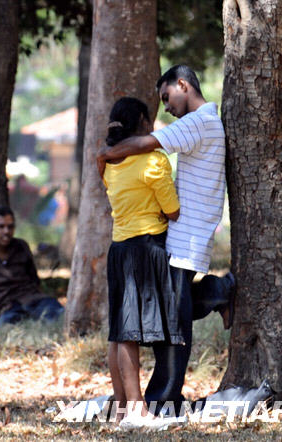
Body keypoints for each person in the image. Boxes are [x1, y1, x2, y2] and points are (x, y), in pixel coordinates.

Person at [98, 65, 235, 416]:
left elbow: (147, 143)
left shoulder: (199, 121)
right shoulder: (201, 123)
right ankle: (219, 291)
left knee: (172, 325)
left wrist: (107, 155)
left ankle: (163, 399)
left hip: (185, 234)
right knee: (171, 314)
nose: (166, 108)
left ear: (183, 85)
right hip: (183, 232)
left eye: (167, 97)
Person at [101, 97, 182, 429]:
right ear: (142, 124)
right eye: (150, 120)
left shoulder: (109, 163)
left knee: (120, 332)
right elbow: (173, 209)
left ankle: (121, 410)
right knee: (131, 333)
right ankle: (137, 412)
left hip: (118, 249)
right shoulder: (154, 162)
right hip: (146, 249)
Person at [0, 206, 64, 325]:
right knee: (10, 328)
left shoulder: (21, 246)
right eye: (1, 227)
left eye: (10, 227)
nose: (6, 231)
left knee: (61, 318)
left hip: (35, 300)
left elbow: (34, 280)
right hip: (6, 308)